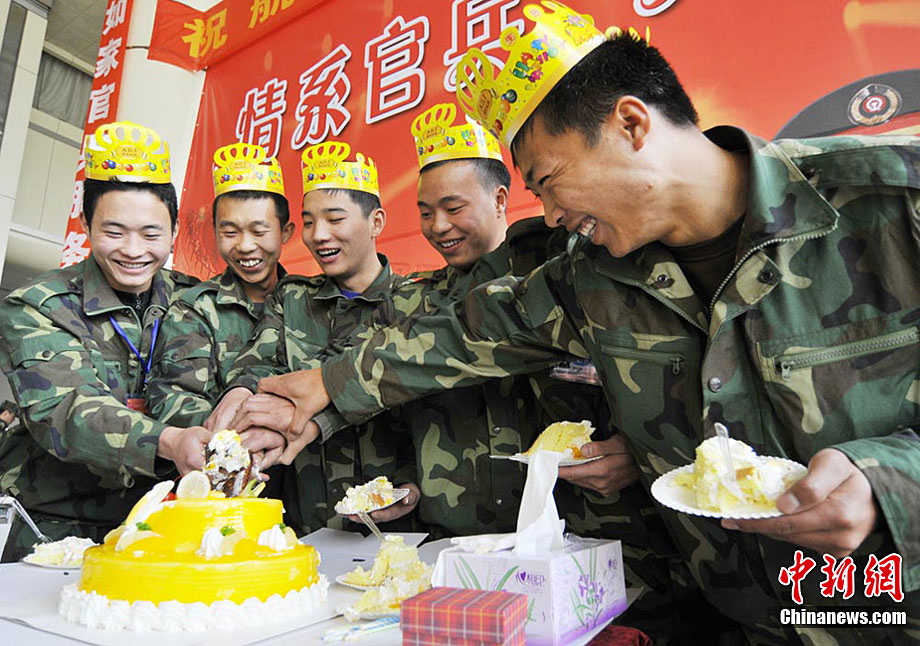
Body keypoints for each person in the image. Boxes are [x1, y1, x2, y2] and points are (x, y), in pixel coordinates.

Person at [251, 4, 919, 644]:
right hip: (743, 622)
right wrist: (322, 386)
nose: (549, 215)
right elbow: (463, 335)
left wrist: (888, 478)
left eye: (548, 180)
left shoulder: (891, 202)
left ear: (631, 124)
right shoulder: (589, 278)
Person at [0, 121, 207, 561]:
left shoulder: (197, 301)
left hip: (164, 524)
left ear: (174, 230)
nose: (133, 250)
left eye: (151, 234)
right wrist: (170, 441)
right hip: (51, 526)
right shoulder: (37, 305)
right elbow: (64, 412)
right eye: (114, 232)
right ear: (86, 223)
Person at [213, 141, 415, 534]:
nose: (319, 235)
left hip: (394, 523)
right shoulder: (292, 297)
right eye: (308, 222)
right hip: (303, 523)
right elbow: (259, 361)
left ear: (376, 222)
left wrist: (413, 481)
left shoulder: (411, 301)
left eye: (334, 220)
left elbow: (422, 402)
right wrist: (239, 392)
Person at [148, 143, 293, 431]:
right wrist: (238, 430)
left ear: (285, 232)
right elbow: (172, 400)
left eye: (259, 231)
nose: (245, 246)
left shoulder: (308, 301)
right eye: (230, 232)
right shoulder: (195, 309)